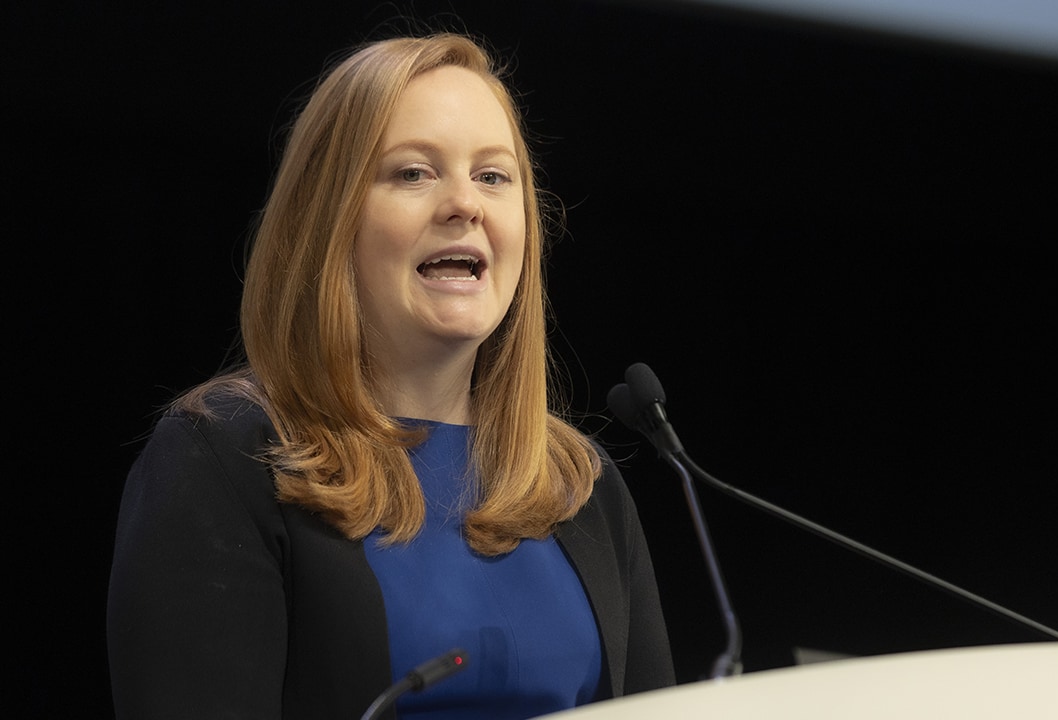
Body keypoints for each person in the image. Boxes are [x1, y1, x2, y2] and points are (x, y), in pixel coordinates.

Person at [107, 32, 675, 719]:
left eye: (494, 176)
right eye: (414, 173)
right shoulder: (227, 457)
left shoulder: (578, 485)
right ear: (329, 220)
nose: (466, 203)